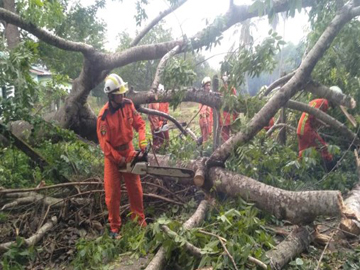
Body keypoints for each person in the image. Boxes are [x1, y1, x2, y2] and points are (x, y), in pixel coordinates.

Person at [97, 73, 147, 239]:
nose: (123, 96)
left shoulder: (128, 105)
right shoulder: (103, 116)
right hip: (112, 156)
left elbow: (139, 124)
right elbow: (105, 145)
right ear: (111, 95)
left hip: (129, 150)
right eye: (119, 94)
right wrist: (119, 159)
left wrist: (142, 143)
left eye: (123, 93)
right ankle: (114, 229)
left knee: (136, 190)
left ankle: (139, 223)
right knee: (112, 195)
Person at [297, 98, 335, 171]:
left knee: (303, 152)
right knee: (323, 147)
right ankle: (332, 169)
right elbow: (317, 117)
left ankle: (298, 172)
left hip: (300, 129)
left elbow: (314, 117)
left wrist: (324, 124)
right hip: (307, 130)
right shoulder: (325, 103)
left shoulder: (317, 101)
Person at [148, 84, 170, 151]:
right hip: (155, 125)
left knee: (166, 140)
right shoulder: (152, 102)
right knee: (156, 142)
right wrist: (154, 125)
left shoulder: (165, 101)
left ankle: (166, 151)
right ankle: (156, 153)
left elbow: (167, 112)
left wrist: (164, 121)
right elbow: (149, 115)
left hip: (163, 124)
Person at [219, 72, 238, 142]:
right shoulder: (221, 90)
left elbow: (235, 104)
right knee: (230, 139)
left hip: (229, 119)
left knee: (232, 138)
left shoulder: (231, 89)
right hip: (225, 120)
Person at [199, 77, 213, 142]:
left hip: (209, 119)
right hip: (204, 119)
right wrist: (205, 121)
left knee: (209, 137)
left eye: (209, 85)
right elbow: (203, 111)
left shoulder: (209, 95)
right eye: (207, 85)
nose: (208, 87)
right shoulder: (203, 96)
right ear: (204, 87)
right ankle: (205, 151)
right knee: (205, 138)